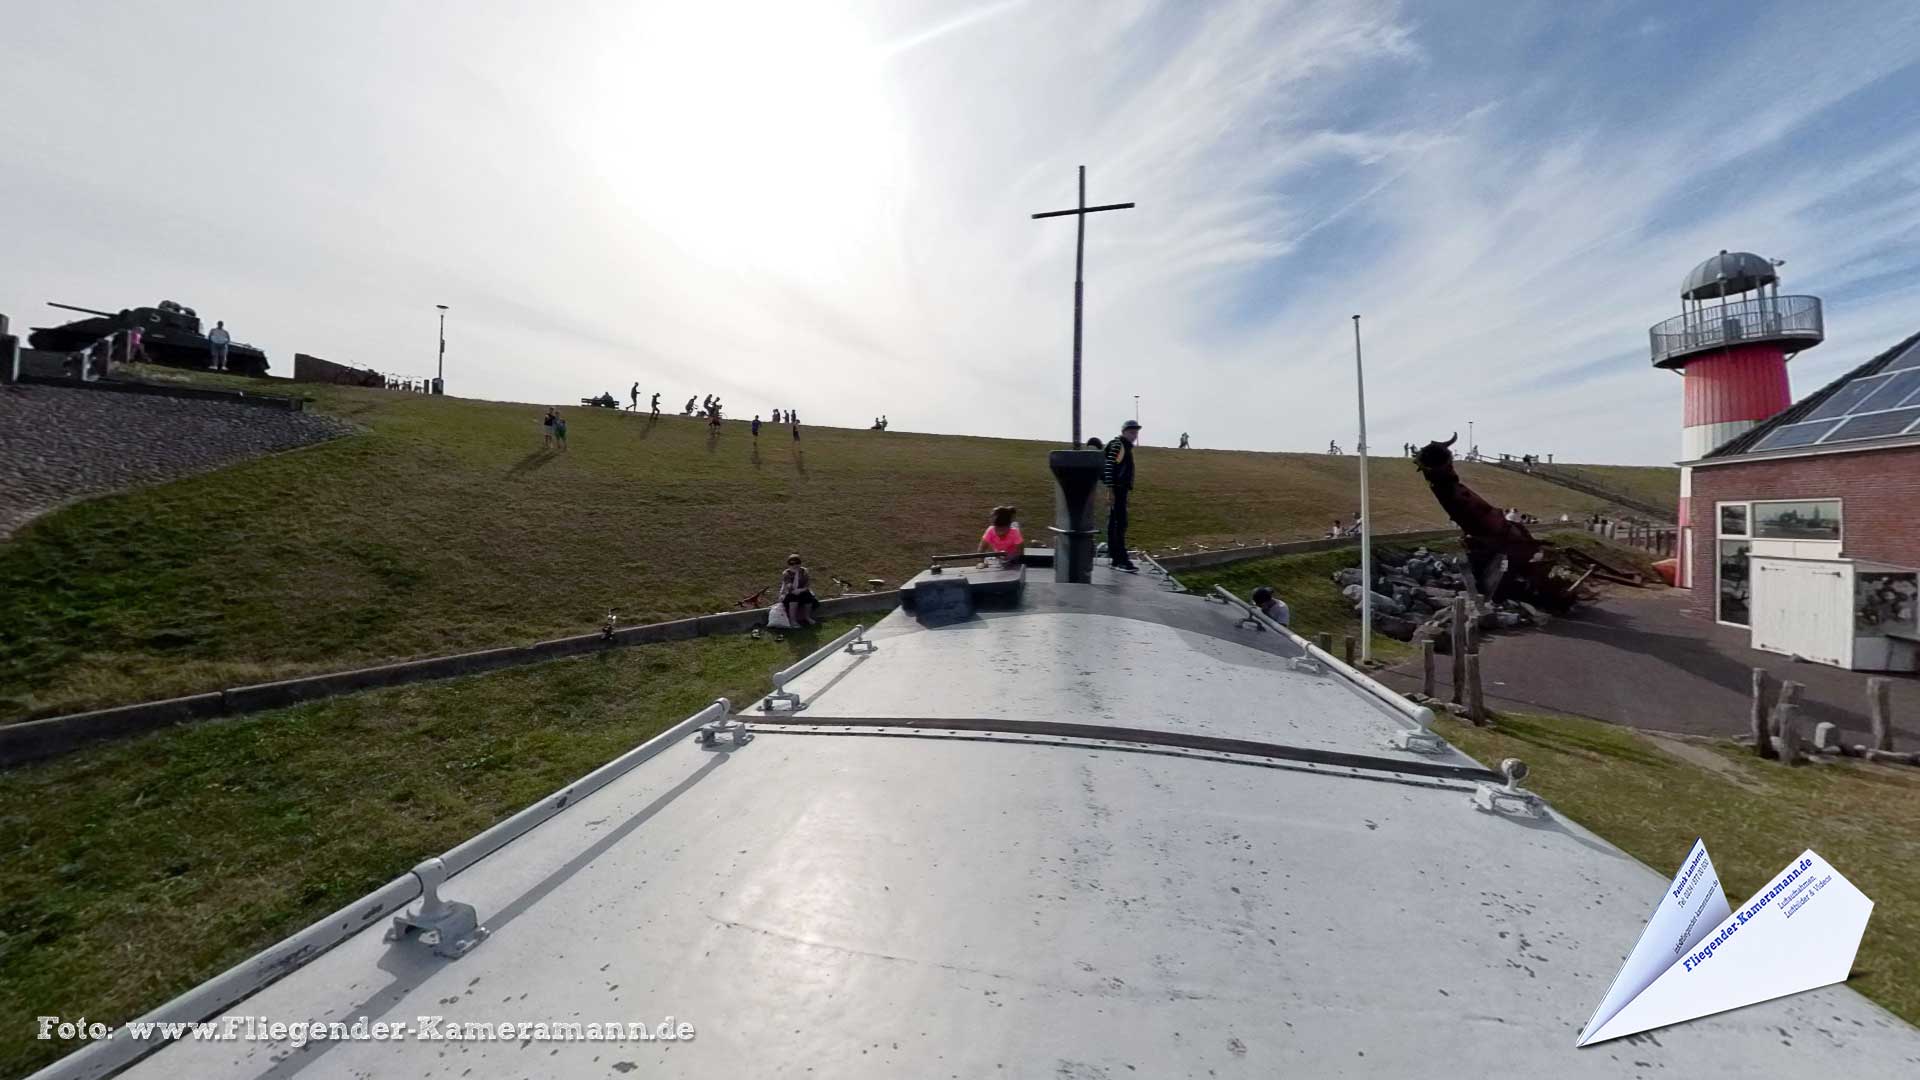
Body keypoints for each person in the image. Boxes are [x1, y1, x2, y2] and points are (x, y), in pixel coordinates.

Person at [1102, 419, 1141, 573]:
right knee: (1119, 523)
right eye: (1132, 432)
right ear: (1124, 432)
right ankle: (1120, 560)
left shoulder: (1124, 447)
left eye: (1136, 433)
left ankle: (1115, 557)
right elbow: (1110, 466)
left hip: (1120, 489)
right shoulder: (1119, 445)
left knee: (1115, 523)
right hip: (1117, 489)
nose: (1134, 435)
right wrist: (1111, 489)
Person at [779, 554, 818, 628]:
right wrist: (796, 574)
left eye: (797, 563)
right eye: (792, 564)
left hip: (801, 591)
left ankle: (807, 617)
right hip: (789, 594)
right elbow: (791, 588)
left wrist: (801, 590)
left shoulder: (804, 571)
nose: (795, 565)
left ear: (800, 563)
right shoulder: (786, 573)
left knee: (808, 597)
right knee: (794, 598)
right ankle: (792, 620)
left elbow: (807, 585)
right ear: (789, 564)